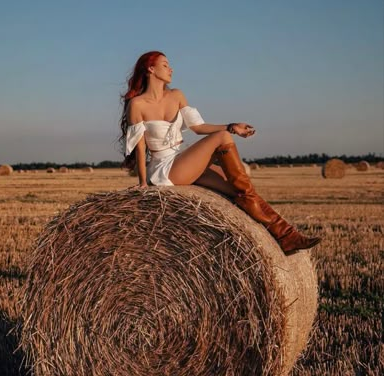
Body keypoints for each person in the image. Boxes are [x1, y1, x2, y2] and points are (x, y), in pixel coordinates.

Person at [120, 51, 321, 255]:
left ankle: (286, 236)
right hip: (164, 168)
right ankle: (287, 235)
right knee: (223, 139)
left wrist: (231, 126)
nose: (171, 69)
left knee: (239, 190)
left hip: (182, 162)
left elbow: (198, 127)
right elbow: (141, 146)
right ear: (150, 69)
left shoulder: (176, 95)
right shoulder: (137, 105)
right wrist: (144, 183)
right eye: (165, 65)